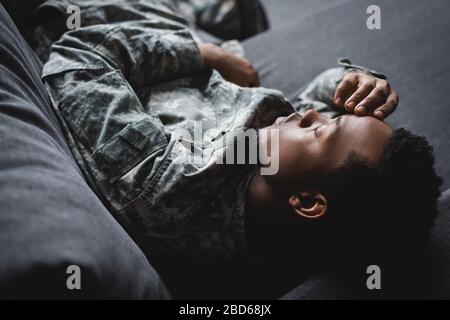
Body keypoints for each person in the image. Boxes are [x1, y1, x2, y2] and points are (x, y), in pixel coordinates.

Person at [36, 0, 441, 296]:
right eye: (332, 117)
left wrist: (203, 54)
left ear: (307, 203)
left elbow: (81, 56)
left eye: (321, 132)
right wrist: (359, 83)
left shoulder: (165, 183)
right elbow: (319, 101)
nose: (310, 116)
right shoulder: (273, 178)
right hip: (182, 24)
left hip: (109, 14)